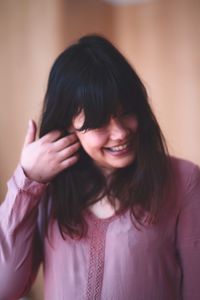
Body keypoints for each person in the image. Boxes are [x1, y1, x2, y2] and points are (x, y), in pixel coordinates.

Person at [0, 34, 200, 300]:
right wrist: (26, 183)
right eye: (98, 122)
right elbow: (6, 288)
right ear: (69, 125)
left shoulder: (183, 181)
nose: (119, 133)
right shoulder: (45, 190)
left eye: (126, 112)